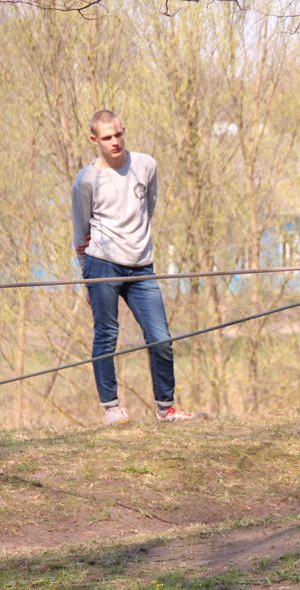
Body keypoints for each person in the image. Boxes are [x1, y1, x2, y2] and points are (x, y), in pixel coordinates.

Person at [72, 110, 200, 426]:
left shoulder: (146, 164)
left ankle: (166, 408)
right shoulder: (86, 180)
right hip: (102, 265)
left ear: (124, 130)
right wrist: (86, 277)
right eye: (107, 137)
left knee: (161, 338)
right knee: (106, 335)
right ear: (94, 140)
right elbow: (81, 232)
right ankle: (112, 407)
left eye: (118, 134)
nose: (114, 141)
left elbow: (149, 208)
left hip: (142, 267)